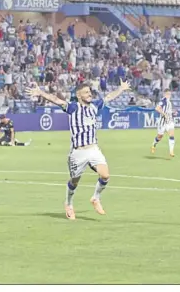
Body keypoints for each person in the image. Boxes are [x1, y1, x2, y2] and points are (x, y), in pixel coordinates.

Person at [26, 80, 130, 220]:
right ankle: (68, 204)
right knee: (74, 181)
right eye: (86, 92)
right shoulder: (73, 108)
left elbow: (109, 97)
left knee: (105, 175)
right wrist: (40, 93)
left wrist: (121, 89)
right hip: (78, 152)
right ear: (79, 95)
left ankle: (95, 198)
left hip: (93, 148)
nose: (89, 94)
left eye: (90, 92)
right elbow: (57, 100)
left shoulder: (94, 106)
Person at [151, 88, 176, 157]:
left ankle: (171, 151)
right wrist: (164, 114)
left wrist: (173, 112)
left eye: (170, 94)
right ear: (164, 94)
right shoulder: (163, 101)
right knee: (160, 136)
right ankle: (153, 144)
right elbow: (157, 108)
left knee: (171, 135)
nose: (169, 95)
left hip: (170, 121)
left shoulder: (169, 102)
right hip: (163, 122)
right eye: (167, 94)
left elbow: (168, 111)